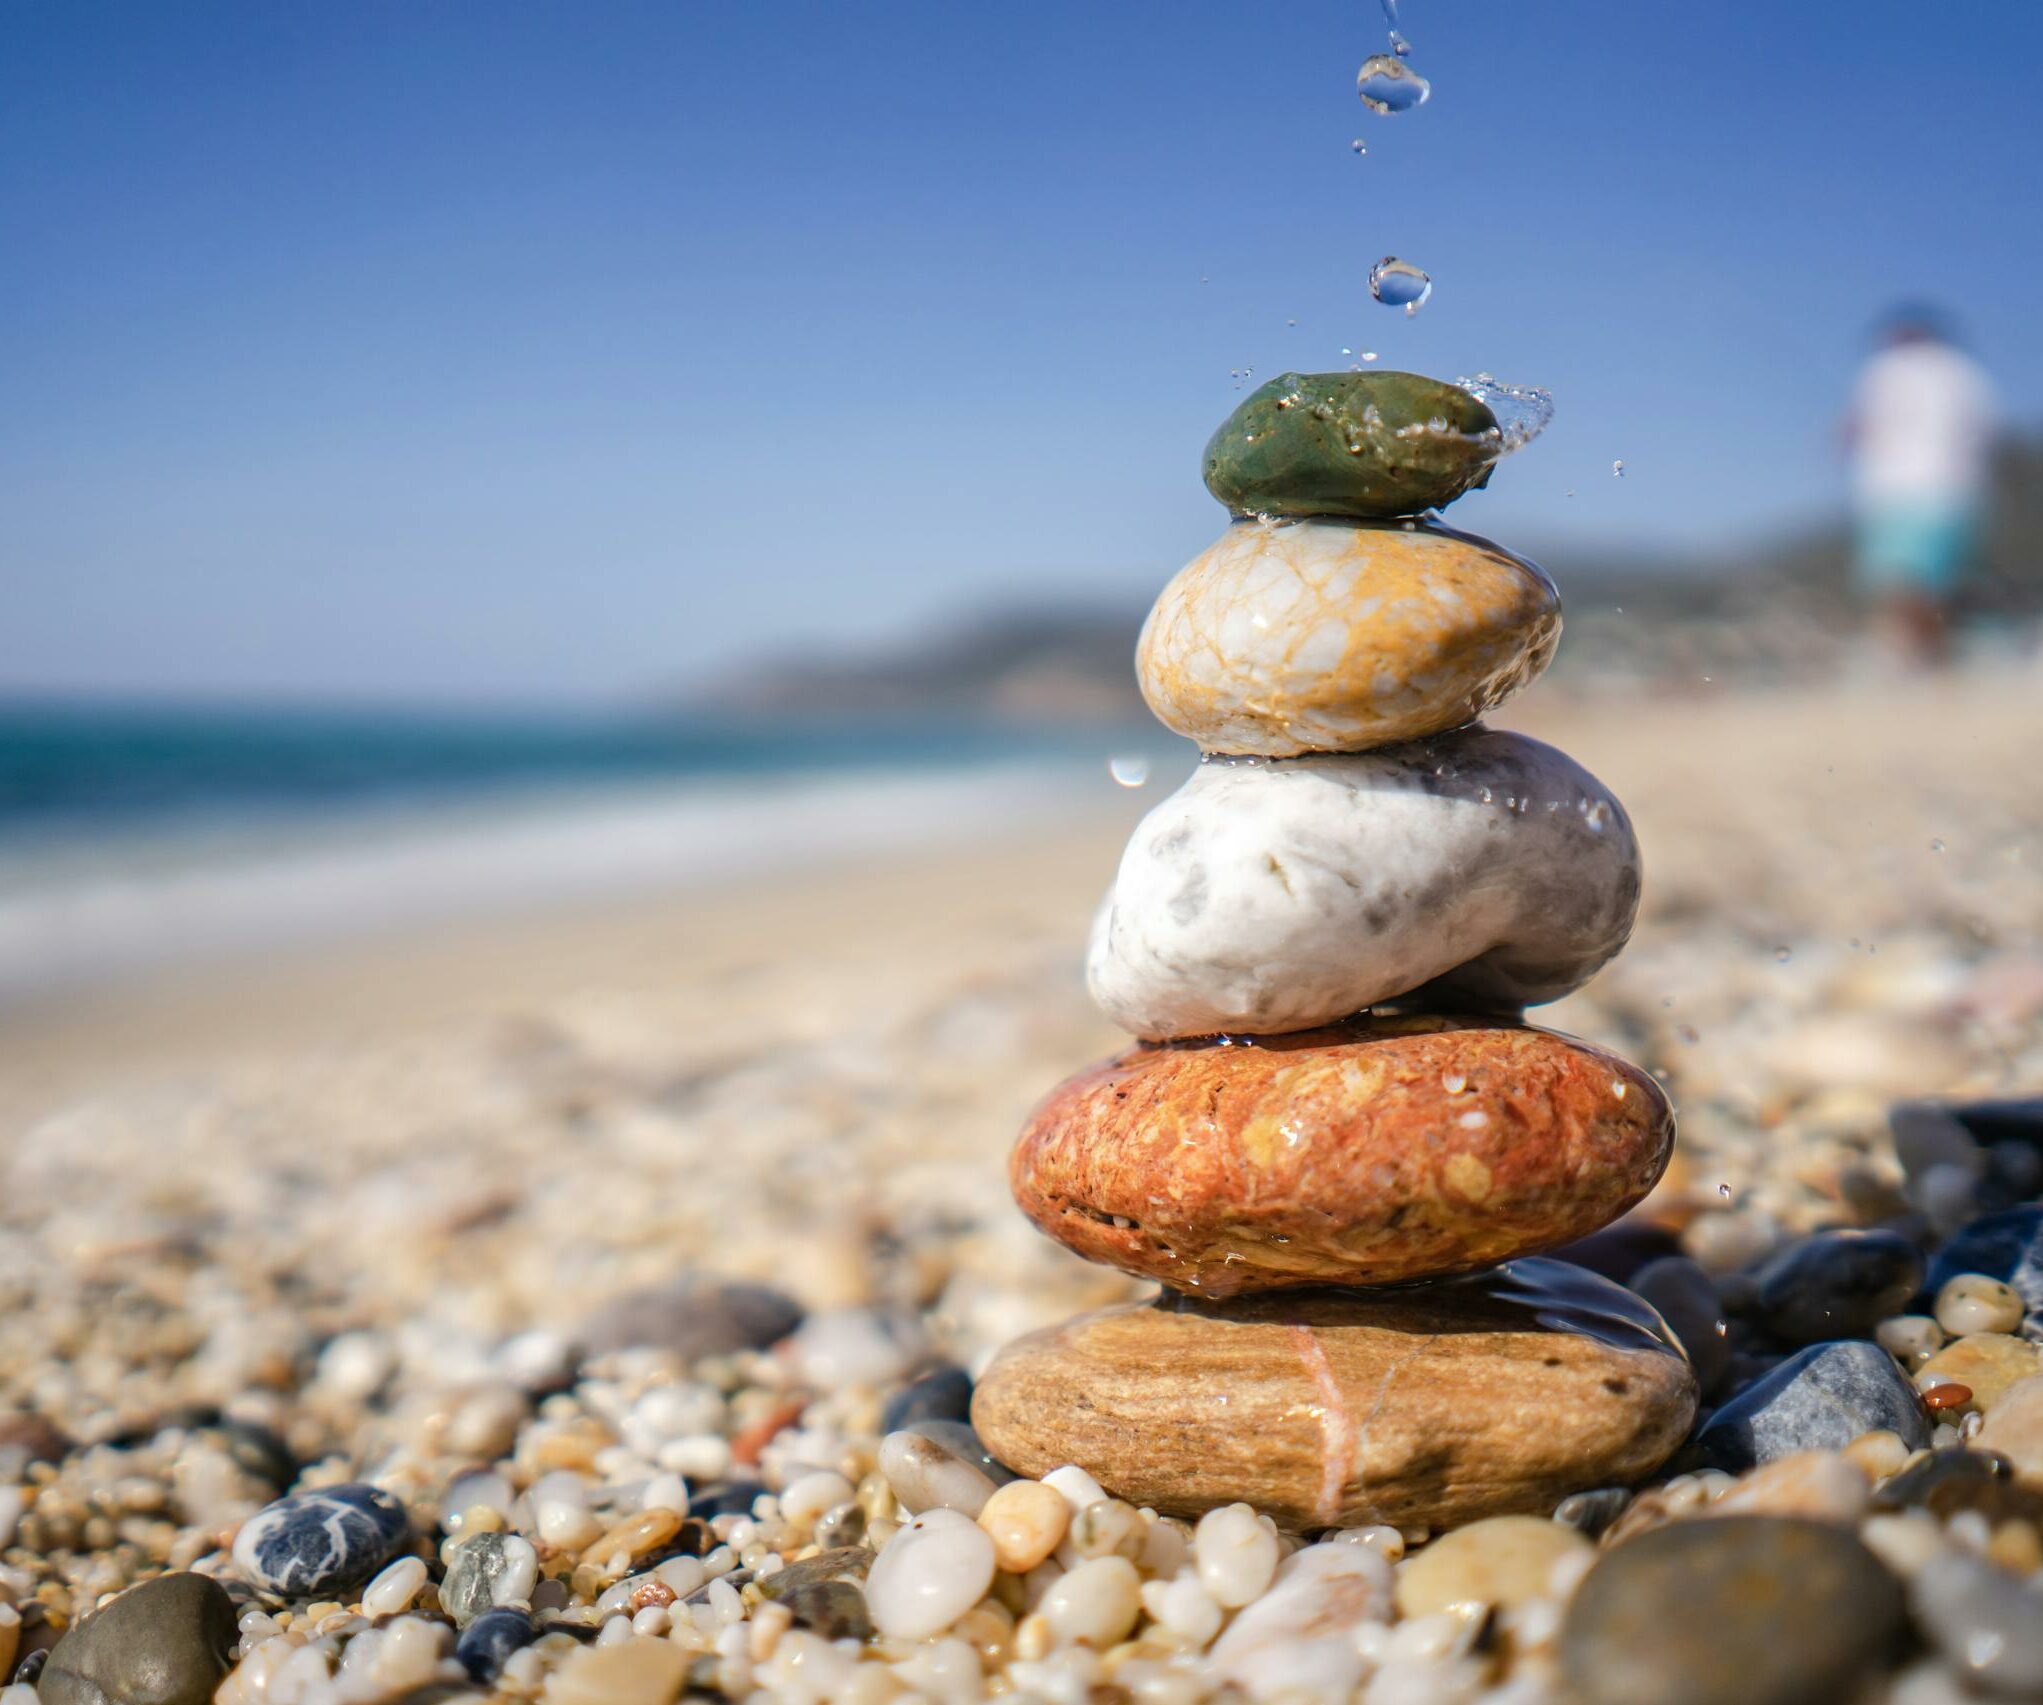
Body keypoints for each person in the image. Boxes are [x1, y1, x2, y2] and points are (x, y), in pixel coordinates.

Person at [1842, 305, 1996, 665]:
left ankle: (1926, 661)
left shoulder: (1885, 371)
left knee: (1902, 582)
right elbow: (1985, 432)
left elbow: (1860, 426)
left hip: (1899, 490)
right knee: (1938, 584)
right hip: (1958, 492)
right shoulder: (1966, 374)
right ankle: (1936, 657)